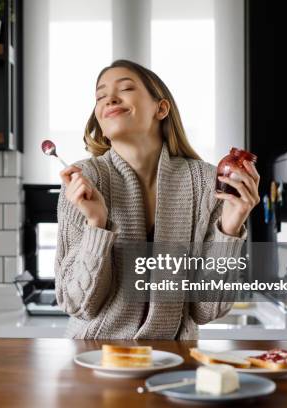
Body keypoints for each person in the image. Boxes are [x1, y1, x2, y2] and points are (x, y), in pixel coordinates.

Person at [54, 59, 260, 339]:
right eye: (100, 96)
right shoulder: (84, 180)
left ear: (161, 108)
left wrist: (231, 228)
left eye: (125, 88)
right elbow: (76, 303)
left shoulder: (206, 183)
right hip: (95, 360)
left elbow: (207, 310)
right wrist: (96, 223)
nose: (109, 98)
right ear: (101, 122)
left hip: (174, 362)